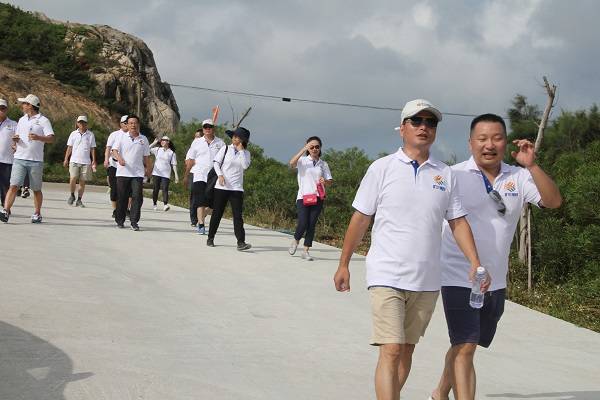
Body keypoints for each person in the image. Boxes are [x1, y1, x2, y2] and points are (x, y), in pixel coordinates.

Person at [333, 99, 487, 400]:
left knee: (406, 350)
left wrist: (474, 262)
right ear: (402, 128)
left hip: (427, 279)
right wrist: (344, 264)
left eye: (430, 123)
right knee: (390, 349)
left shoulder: (445, 174)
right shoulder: (382, 168)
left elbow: (457, 221)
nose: (424, 127)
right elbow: (361, 218)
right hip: (387, 273)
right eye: (416, 121)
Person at [430, 114, 562, 400]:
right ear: (470, 143)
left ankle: (440, 391)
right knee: (465, 345)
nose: (489, 145)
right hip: (457, 274)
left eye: (497, 138)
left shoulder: (519, 175)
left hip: (496, 280)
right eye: (482, 138)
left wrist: (533, 165)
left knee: (468, 344)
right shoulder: (453, 175)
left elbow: (553, 202)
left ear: (505, 141)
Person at [0, 94, 55, 223]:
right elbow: (18, 136)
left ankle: (37, 213)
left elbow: (51, 138)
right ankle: (6, 211)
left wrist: (39, 138)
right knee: (13, 185)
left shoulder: (43, 120)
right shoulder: (21, 120)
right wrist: (15, 141)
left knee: (36, 189)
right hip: (19, 158)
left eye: (24, 103)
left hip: (35, 161)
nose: (22, 106)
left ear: (30, 106)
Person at [206, 126, 252, 250]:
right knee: (217, 213)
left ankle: (241, 242)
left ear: (243, 140)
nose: (234, 138)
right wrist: (220, 175)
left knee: (238, 216)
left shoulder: (246, 153)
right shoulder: (225, 148)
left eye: (237, 137)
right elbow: (216, 163)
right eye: (234, 136)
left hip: (237, 188)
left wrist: (241, 150)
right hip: (222, 187)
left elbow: (245, 166)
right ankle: (210, 237)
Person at [288, 136, 333, 260]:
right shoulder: (303, 161)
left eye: (317, 147)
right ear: (308, 147)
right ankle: (296, 240)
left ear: (320, 148)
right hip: (303, 196)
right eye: (311, 147)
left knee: (311, 225)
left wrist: (326, 181)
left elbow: (330, 180)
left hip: (318, 197)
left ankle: (306, 251)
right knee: (303, 223)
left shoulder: (323, 164)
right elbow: (291, 163)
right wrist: (303, 149)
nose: (314, 149)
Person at [184, 119, 225, 233]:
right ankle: (201, 225)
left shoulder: (220, 143)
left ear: (213, 128)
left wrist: (222, 175)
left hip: (213, 176)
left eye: (210, 127)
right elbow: (190, 160)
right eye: (205, 127)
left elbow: (224, 161)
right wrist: (186, 175)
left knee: (213, 205)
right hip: (199, 174)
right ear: (203, 129)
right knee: (200, 201)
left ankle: (201, 217)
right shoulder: (197, 142)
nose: (207, 129)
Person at [111, 114, 151, 231]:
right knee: (122, 197)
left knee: (137, 197)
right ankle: (120, 220)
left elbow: (147, 157)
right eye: (131, 123)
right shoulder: (121, 137)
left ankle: (134, 221)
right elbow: (114, 151)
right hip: (123, 173)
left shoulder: (143, 139)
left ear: (138, 125)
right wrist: (119, 158)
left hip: (137, 174)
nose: (133, 125)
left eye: (135, 123)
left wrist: (148, 171)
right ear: (127, 125)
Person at [63, 116, 97, 207]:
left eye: (83, 122)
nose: (81, 124)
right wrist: (66, 159)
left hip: (86, 162)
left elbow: (92, 148)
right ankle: (72, 195)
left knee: (82, 182)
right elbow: (69, 147)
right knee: (72, 178)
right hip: (74, 160)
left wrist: (94, 160)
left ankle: (79, 199)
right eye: (80, 122)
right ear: (77, 123)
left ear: (86, 124)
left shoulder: (90, 135)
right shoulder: (73, 134)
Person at [104, 115, 128, 218]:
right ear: (121, 124)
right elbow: (108, 148)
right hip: (114, 165)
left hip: (126, 167)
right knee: (114, 189)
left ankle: (125, 209)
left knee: (126, 190)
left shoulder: (133, 136)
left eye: (129, 122)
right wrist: (106, 160)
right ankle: (115, 210)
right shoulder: (114, 135)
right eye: (125, 123)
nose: (127, 124)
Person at [149, 135, 178, 211]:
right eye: (161, 140)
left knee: (165, 188)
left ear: (168, 142)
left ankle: (165, 204)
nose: (162, 141)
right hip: (156, 173)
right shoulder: (157, 149)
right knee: (156, 189)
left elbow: (174, 165)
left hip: (166, 174)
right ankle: (155, 203)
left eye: (164, 140)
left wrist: (176, 176)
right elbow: (147, 149)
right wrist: (154, 143)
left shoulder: (172, 153)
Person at [0, 98, 17, 208]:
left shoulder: (14, 124)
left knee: (5, 186)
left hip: (7, 160)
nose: (1, 110)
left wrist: (16, 145)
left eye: (3, 108)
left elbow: (19, 139)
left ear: (7, 109)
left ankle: (5, 208)